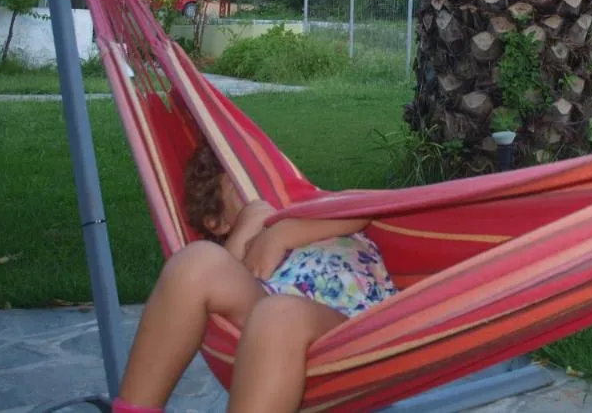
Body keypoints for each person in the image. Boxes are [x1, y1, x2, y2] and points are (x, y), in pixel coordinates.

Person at [111, 141, 398, 413]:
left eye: (262, 175)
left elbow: (366, 207)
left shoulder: (313, 211)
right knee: (194, 262)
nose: (260, 190)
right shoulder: (240, 250)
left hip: (353, 329)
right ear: (217, 222)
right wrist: (247, 229)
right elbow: (230, 282)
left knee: (279, 313)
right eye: (241, 183)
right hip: (276, 325)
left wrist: (282, 233)